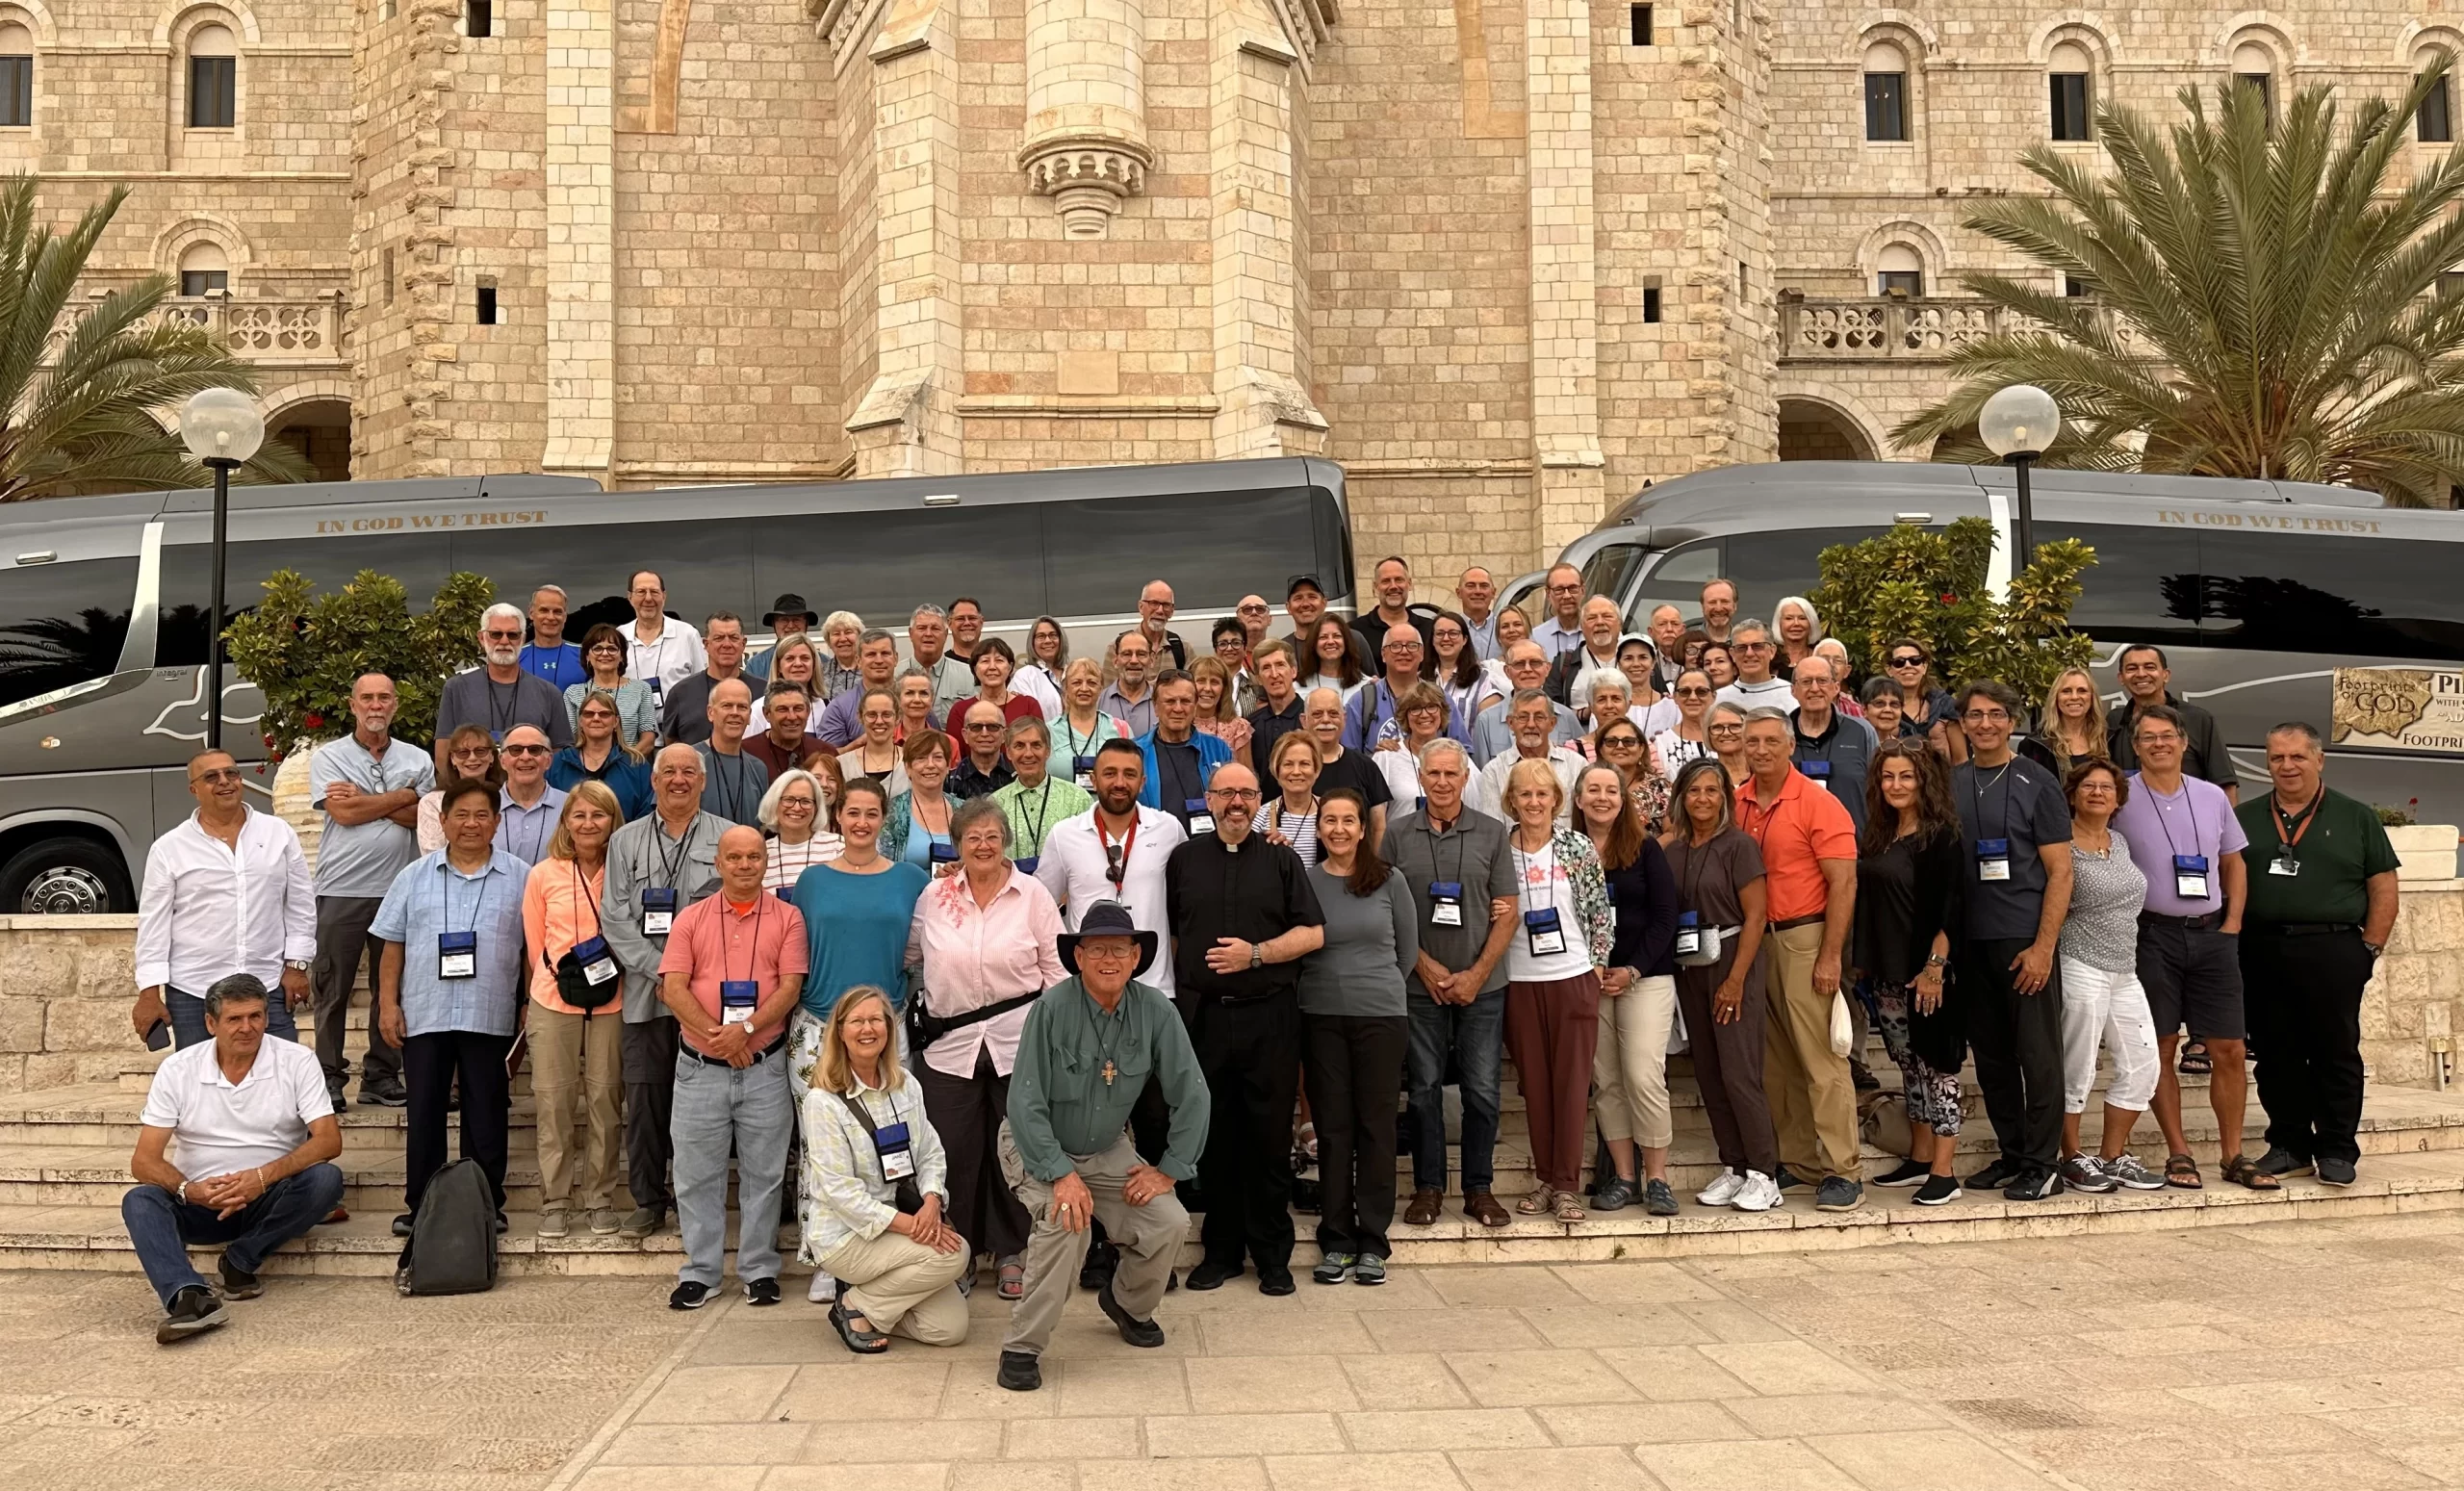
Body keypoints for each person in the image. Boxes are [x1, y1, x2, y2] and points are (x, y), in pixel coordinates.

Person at [994, 900, 1210, 1392]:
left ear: (1137, 956)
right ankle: (1022, 1346)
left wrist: (1170, 1170)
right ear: (1078, 957)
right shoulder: (1051, 1009)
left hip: (1108, 1148)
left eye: (1119, 949)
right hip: (1038, 1146)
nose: (1108, 959)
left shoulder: (1155, 1010)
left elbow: (1192, 1092)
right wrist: (1061, 1174)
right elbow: (1025, 1105)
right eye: (1096, 949)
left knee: (1168, 1219)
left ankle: (1128, 1305)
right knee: (1066, 1223)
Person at [1166, 762, 1326, 1293]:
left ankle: (1273, 1255)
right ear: (1208, 800)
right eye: (1226, 793)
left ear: (1261, 800)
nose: (1236, 802)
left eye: (1246, 793)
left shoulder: (1282, 858)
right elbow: (1172, 932)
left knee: (1267, 1135)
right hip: (1205, 1019)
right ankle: (1222, 1251)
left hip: (1269, 1015)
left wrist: (1256, 955)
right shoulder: (1183, 860)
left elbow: (1313, 933)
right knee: (1216, 1137)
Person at [122, 973, 344, 1344]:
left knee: (326, 1179)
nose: (247, 1028)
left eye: (255, 1016)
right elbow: (143, 1160)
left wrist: (262, 1177)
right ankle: (188, 1297)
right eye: (234, 1019)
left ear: (267, 1018)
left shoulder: (297, 1060)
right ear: (210, 1023)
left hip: (269, 1199)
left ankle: (241, 1260)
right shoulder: (179, 1069)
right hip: (202, 1203)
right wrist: (191, 1190)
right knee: (139, 1200)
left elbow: (328, 1141)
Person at [910, 798, 1065, 1303]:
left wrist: (1056, 1041)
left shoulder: (1033, 895)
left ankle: (1012, 1252)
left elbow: (1057, 971)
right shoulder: (933, 896)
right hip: (949, 1048)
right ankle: (957, 1251)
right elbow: (912, 955)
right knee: (953, 1152)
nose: (982, 845)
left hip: (1018, 1045)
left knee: (1013, 1154)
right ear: (957, 844)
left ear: (1006, 842)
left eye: (992, 836)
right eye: (972, 837)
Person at [2235, 723, 2400, 1189]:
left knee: (2335, 1052)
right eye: (2277, 758)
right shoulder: (2245, 817)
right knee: (2273, 1051)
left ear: (2319, 760)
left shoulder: (2355, 816)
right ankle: (2288, 1144)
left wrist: (2368, 948)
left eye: (2297, 757)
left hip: (2333, 948)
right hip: (2261, 948)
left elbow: (2383, 886)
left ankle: (2337, 1149)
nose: (2287, 766)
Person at [786, 776, 931, 1299]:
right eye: (853, 813)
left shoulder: (911, 879)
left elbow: (918, 952)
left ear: (883, 819)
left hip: (884, 1027)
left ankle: (882, 1252)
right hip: (819, 1029)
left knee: (889, 1141)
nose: (862, 823)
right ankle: (826, 1254)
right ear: (837, 818)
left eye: (873, 813)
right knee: (822, 1146)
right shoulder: (812, 882)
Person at [657, 825, 808, 1309]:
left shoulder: (789, 919)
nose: (745, 866)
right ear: (718, 864)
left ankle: (759, 1269)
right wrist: (716, 1037)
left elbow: (789, 989)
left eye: (754, 858)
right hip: (700, 1068)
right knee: (696, 1174)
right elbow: (673, 988)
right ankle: (700, 1271)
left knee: (764, 1174)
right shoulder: (690, 918)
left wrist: (742, 1032)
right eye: (735, 858)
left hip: (763, 1067)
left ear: (766, 862)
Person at [371, 777, 528, 1237]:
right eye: (461, 814)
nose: (471, 823)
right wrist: (387, 1005)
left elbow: (530, 949)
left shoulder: (521, 876)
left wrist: (526, 1004)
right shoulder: (412, 877)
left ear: (497, 823)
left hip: (490, 1012)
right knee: (424, 1111)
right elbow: (391, 946)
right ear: (443, 822)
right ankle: (422, 1204)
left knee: (487, 1112)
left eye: (482, 814)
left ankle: (485, 1204)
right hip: (425, 1012)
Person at [2117, 705, 2257, 1190]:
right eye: (2148, 737)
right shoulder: (2119, 795)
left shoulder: (2212, 795)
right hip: (2151, 935)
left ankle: (2234, 1155)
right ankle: (2179, 1152)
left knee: (2230, 1048)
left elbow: (2233, 860)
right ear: (2136, 747)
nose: (2159, 744)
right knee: (2161, 1046)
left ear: (2184, 743)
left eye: (2167, 736)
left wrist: (2233, 921)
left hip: (2212, 934)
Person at [1382, 740, 1518, 1229]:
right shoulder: (1396, 836)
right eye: (1433, 773)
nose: (1442, 782)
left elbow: (1508, 911)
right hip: (1420, 988)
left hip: (1483, 986)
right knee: (1423, 1091)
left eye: (1450, 774)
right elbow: (1387, 912)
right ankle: (1428, 1187)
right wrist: (1425, 967)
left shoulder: (1492, 833)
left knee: (1482, 1091)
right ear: (1421, 777)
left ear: (1465, 778)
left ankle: (1479, 1189)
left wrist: (1476, 974)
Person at [1950, 681, 2075, 1201]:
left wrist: (2044, 947)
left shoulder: (2037, 780)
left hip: (2023, 941)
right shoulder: (1950, 781)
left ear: (2011, 721)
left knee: (2037, 1057)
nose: (1984, 724)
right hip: (1970, 942)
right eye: (1974, 715)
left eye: (1995, 715)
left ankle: (2044, 1164)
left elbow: (2062, 871)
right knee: (1993, 1058)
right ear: (1962, 722)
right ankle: (2014, 1153)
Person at [1735, 707, 1862, 1211]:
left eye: (1770, 741)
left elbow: (1845, 882)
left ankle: (1843, 1169)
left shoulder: (1817, 803)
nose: (1761, 750)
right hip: (1756, 940)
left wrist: (1831, 955)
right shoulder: (1738, 802)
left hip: (1804, 936)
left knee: (1822, 1061)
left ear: (1790, 746)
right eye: (1752, 743)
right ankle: (1801, 1161)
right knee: (1778, 1064)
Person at [602, 744, 729, 1238]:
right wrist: (664, 974)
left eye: (688, 772)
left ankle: (704, 1201)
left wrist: (687, 983)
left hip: (709, 998)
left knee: (711, 1105)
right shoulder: (625, 841)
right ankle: (649, 1200)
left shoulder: (726, 837)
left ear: (702, 781)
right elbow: (614, 918)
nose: (678, 779)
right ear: (653, 782)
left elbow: (734, 912)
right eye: (668, 771)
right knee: (647, 1099)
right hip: (646, 995)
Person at [803, 987, 970, 1350]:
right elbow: (841, 1193)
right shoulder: (822, 1102)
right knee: (956, 1254)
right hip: (846, 1237)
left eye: (877, 1019)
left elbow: (930, 1152)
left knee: (948, 1329)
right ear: (840, 1031)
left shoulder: (906, 1084)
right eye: (857, 1021)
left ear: (889, 1029)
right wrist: (914, 1228)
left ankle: (871, 1303)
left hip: (898, 1223)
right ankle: (853, 1306)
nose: (868, 1029)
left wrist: (930, 1202)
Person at [1297, 788, 1418, 1284]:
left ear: (1363, 829)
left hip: (1380, 1018)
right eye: (1330, 821)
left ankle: (1373, 1240)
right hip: (1320, 1016)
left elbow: (1407, 952)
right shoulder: (1304, 882)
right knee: (1332, 1129)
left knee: (1375, 1127)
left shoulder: (1389, 881)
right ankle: (1337, 1239)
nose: (1340, 829)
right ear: (1320, 828)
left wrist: (1374, 988)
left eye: (1349, 821)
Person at [134, 749, 314, 1051]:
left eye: (231, 773)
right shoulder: (170, 848)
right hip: (194, 991)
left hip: (267, 984)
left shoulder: (277, 833)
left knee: (280, 1081)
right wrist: (149, 993)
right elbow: (154, 924)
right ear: (194, 789)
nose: (224, 781)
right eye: (211, 777)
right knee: (201, 1086)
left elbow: (300, 904)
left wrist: (297, 966)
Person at [1661, 758, 1781, 1211]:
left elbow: (1756, 916)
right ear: (1681, 797)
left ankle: (1764, 1173)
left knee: (1739, 1072)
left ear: (1725, 799)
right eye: (1694, 791)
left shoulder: (1740, 846)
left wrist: (1735, 980)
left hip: (1732, 962)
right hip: (1691, 965)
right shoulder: (1673, 851)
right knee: (1709, 1074)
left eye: (1712, 791)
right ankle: (1734, 1166)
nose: (1703, 799)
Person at [309, 674, 433, 1108]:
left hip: (401, 890)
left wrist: (367, 799)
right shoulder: (329, 757)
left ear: (396, 705)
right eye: (367, 698)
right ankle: (328, 1079)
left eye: (384, 698)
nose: (376, 705)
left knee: (393, 989)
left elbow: (425, 818)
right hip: (342, 888)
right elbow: (342, 814)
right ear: (352, 704)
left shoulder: (418, 758)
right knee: (331, 988)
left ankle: (381, 1076)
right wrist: (401, 795)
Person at [1853, 741, 1967, 1205]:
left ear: (1924, 782)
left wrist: (1934, 968)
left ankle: (1944, 1171)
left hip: (1928, 974)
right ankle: (1919, 1157)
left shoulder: (1941, 837)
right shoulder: (1881, 835)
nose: (1895, 785)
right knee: (1908, 1065)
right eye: (1888, 777)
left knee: (1938, 1068)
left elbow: (1951, 910)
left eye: (1906, 777)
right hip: (1888, 974)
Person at [1499, 757, 1612, 1221]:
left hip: (1572, 976)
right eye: (1524, 794)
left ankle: (1566, 1184)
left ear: (1557, 800)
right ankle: (1544, 1179)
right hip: (1519, 980)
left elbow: (1601, 910)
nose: (1533, 801)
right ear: (1510, 801)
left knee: (1571, 1086)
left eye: (1542, 793)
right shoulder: (1498, 849)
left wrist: (1598, 967)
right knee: (1536, 1086)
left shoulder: (1577, 846)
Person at [521, 782, 629, 1238]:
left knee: (606, 1101)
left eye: (598, 816)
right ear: (566, 821)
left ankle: (600, 1198)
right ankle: (556, 1200)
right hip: (553, 997)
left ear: (612, 821)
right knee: (553, 1101)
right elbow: (533, 942)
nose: (588, 824)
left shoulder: (625, 870)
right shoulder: (543, 874)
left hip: (613, 1001)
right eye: (579, 815)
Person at [2056, 759, 2167, 1195]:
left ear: (2118, 798)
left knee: (2144, 1064)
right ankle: (2070, 1157)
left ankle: (2113, 1155)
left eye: (2107, 787)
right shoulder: (2060, 842)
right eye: (2089, 786)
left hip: (2124, 968)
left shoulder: (2118, 842)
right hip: (2079, 962)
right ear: (2073, 794)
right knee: (2077, 1065)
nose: (2098, 793)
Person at [1575, 762, 1680, 1216]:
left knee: (1643, 1074)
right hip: (1587, 980)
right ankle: (1624, 1177)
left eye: (1611, 791)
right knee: (1608, 1082)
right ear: (1577, 799)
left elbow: (1665, 918)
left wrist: (1632, 969)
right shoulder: (1567, 852)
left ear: (1624, 800)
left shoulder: (1646, 849)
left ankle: (1657, 1178)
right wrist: (1592, 968)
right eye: (1593, 790)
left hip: (1646, 978)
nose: (1602, 798)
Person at [1035, 737, 1187, 1004]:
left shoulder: (1169, 829)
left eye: (1130, 774)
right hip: (1085, 988)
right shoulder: (1064, 835)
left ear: (1142, 782)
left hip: (1154, 986)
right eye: (1109, 773)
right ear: (1093, 780)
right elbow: (1040, 905)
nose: (1119, 783)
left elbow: (1190, 895)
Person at [435, 604, 574, 767]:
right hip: (473, 789)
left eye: (513, 635)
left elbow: (559, 754)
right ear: (481, 638)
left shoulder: (549, 693)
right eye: (496, 634)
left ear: (522, 639)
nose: (504, 641)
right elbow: (443, 751)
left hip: (530, 788)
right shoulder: (456, 688)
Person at [2107, 644, 2237, 797]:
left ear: (2166, 675)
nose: (2141, 674)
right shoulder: (2114, 722)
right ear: (2121, 678)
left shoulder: (2197, 719)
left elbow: (2225, 785)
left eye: (2149, 667)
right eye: (2131, 668)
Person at [1790, 656, 1879, 832]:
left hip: (1855, 848)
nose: (1815, 688)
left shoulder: (1862, 732)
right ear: (1793, 690)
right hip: (1795, 849)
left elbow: (1879, 791)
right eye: (1806, 682)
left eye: (1822, 681)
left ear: (1836, 687)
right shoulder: (1780, 734)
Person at [1137, 671, 1234, 833]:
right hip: (1155, 847)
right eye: (1169, 701)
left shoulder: (1218, 749)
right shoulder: (1136, 752)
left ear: (1195, 706)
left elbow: (1232, 799)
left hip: (1208, 847)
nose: (1178, 708)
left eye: (1186, 701)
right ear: (1155, 707)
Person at [1345, 623, 1463, 751]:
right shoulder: (1362, 702)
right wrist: (1375, 756)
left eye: (1412, 646)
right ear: (1383, 654)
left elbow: (1464, 751)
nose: (1404, 651)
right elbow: (1349, 758)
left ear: (1422, 653)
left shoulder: (1441, 699)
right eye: (1395, 646)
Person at [989, 718, 1090, 868]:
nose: (1028, 754)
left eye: (1036, 745)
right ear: (1009, 753)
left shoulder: (1078, 798)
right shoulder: (995, 804)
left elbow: (1088, 854)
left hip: (1064, 891)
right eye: (1019, 746)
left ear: (1048, 751)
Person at [1299, 685, 1395, 843]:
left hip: (1358, 864)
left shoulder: (1366, 766)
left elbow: (1378, 827)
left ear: (1344, 718)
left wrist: (1376, 866)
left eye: (1333, 713)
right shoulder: (1290, 769)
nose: (1325, 720)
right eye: (1317, 714)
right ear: (1304, 720)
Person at [1475, 689, 1583, 824]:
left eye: (1539, 717)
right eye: (1523, 717)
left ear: (1552, 724)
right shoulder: (1493, 771)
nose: (1531, 725)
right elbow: (1493, 830)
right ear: (1510, 723)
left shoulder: (1577, 765)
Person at [662, 614, 766, 749]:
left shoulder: (764, 691)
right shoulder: (681, 693)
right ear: (706, 645)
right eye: (719, 638)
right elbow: (671, 743)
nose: (727, 644)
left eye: (733, 638)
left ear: (743, 643)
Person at [1470, 642, 1579, 765]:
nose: (1528, 669)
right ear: (1507, 671)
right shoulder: (1486, 720)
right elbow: (1482, 773)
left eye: (1535, 663)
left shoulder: (1567, 717)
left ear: (1547, 669)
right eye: (1519, 664)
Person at [551, 688, 654, 819]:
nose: (596, 718)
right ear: (581, 721)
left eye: (604, 714)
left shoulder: (636, 764)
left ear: (616, 722)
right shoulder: (558, 763)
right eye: (589, 714)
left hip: (624, 838)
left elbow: (646, 814)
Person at [566, 624, 658, 758]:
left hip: (629, 768)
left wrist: (621, 764)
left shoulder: (641, 689)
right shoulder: (573, 693)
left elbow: (648, 740)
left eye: (612, 649)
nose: (605, 654)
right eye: (597, 649)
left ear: (622, 656)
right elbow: (571, 741)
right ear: (587, 656)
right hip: (586, 771)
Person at [618, 569, 706, 707]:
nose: (648, 598)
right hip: (630, 726)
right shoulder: (619, 636)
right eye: (641, 592)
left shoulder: (687, 634)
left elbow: (702, 685)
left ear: (664, 596)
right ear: (630, 597)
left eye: (654, 592)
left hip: (677, 725)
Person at [695, 679, 771, 825]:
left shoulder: (758, 768)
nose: (735, 713)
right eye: (727, 706)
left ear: (749, 715)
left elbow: (762, 826)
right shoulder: (689, 760)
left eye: (742, 707)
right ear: (710, 712)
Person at [418, 726, 505, 853]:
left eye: (480, 751)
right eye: (463, 753)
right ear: (453, 759)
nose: (472, 758)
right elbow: (431, 854)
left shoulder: (506, 798)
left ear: (492, 756)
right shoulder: (432, 802)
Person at [813, 630, 903, 748]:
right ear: (859, 661)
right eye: (871, 655)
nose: (879, 660)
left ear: (895, 658)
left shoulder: (915, 702)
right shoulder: (839, 708)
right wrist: (860, 743)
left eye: (885, 653)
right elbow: (828, 758)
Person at [492, 725, 566, 866]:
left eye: (535, 750)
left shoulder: (571, 806)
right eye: (516, 750)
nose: (525, 757)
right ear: (502, 761)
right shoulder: (486, 807)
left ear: (549, 761)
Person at [1052, 656, 1129, 788]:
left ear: (1101, 689)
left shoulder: (1120, 729)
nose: (1084, 688)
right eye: (1076, 683)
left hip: (1108, 808)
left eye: (1092, 683)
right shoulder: (1049, 731)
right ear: (1066, 688)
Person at [885, 732, 959, 869]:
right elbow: (884, 868)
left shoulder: (964, 811)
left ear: (948, 765)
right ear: (908, 768)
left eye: (937, 757)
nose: (930, 765)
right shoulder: (891, 812)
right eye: (921, 758)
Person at [1881, 639, 1964, 762]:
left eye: (1915, 661)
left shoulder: (1944, 706)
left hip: (1942, 779)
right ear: (1889, 670)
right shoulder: (1880, 709)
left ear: (1924, 667)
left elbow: (1961, 760)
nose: (1908, 666)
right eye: (1899, 662)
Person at [761, 768, 842, 892]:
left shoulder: (838, 847)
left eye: (806, 801)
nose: (797, 808)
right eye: (789, 800)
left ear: (816, 807)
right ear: (774, 803)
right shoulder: (760, 854)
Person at [2020, 665, 2108, 780]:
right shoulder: (2034, 745)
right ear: (2056, 698)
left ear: (2092, 698)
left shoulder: (2109, 740)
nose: (2074, 697)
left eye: (2082, 691)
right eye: (2066, 691)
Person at [1375, 682, 1451, 810]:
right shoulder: (1386, 758)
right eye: (1415, 708)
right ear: (1406, 716)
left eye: (1432, 706)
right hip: (1400, 831)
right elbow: (1376, 820)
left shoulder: (1458, 757)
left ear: (1441, 713)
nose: (1424, 714)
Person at [1542, 596, 1627, 711]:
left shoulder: (1640, 661)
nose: (1600, 622)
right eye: (1591, 618)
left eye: (1607, 616)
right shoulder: (1563, 664)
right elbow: (1551, 711)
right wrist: (1581, 715)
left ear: (1620, 624)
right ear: (1582, 626)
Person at [958, 638, 1043, 747]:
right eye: (985, 661)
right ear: (975, 669)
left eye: (999, 660)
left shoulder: (1028, 705)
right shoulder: (961, 710)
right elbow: (955, 757)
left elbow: (1039, 748)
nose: (992, 667)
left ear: (1010, 667)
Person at [1257, 730, 1325, 864]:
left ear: (1316, 770)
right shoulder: (1262, 815)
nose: (1296, 772)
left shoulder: (1330, 812)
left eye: (1304, 764)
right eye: (1288, 764)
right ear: (1276, 770)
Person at [1591, 715, 1670, 834]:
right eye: (1611, 742)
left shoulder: (1661, 787)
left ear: (1641, 749)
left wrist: (1648, 852)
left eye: (1628, 741)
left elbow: (1672, 833)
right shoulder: (1589, 785)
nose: (1620, 746)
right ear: (1601, 750)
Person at [745, 678, 832, 781]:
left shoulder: (826, 753)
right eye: (782, 709)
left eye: (798, 708)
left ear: (808, 712)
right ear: (766, 714)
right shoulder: (745, 754)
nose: (792, 717)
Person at [1244, 638, 1308, 769]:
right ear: (1259, 678)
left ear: (1293, 671)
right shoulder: (1250, 726)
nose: (1274, 674)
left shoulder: (1311, 718)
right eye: (1266, 668)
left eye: (1280, 665)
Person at [905, 604, 975, 721]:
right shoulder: (894, 674)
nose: (928, 634)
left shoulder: (969, 676)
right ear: (911, 633)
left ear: (946, 634)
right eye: (922, 628)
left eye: (935, 629)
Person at [1431, 610, 1501, 729]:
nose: (1446, 638)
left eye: (1453, 633)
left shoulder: (1483, 681)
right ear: (1432, 640)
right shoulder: (1420, 679)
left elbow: (1490, 731)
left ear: (1464, 639)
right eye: (1440, 633)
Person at [746, 636, 825, 738]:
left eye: (805, 658)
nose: (798, 664)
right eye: (790, 658)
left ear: (814, 664)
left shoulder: (825, 706)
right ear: (779, 666)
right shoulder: (758, 708)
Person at [1281, 573, 1363, 671]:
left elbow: (1372, 682)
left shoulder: (1354, 640)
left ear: (1324, 603)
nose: (1305, 604)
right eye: (1298, 598)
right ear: (1288, 607)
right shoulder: (1282, 649)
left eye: (1312, 597)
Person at [1189, 656, 1255, 770]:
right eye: (1201, 681)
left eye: (1214, 682)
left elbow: (1248, 777)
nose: (1208, 688)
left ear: (1224, 688)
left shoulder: (1238, 728)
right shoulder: (1179, 725)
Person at [839, 687, 909, 796]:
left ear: (898, 718)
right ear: (860, 717)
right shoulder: (842, 764)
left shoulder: (911, 761)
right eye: (871, 715)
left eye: (887, 714)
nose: (879, 721)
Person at [949, 699, 1020, 801]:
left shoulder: (1019, 777)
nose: (984, 733)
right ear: (965, 735)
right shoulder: (950, 781)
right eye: (976, 727)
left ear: (1004, 735)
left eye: (993, 727)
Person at [520, 585, 587, 692]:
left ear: (565, 616)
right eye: (544, 610)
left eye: (557, 611)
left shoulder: (585, 654)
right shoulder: (516, 656)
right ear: (531, 613)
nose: (551, 617)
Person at [1652, 668, 1718, 777]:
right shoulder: (1661, 744)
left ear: (1714, 696)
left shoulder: (1726, 737)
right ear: (1675, 697)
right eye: (1685, 692)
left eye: (1701, 691)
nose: (1693, 697)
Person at [1714, 620, 1791, 710]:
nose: (1749, 653)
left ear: (1772, 651)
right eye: (1741, 648)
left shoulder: (1792, 694)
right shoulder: (1718, 699)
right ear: (1732, 654)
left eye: (1757, 646)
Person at [1097, 630, 1160, 738]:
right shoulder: (1098, 703)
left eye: (1141, 654)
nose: (1134, 661)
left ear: (1152, 660)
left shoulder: (1162, 702)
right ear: (1115, 661)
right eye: (1127, 654)